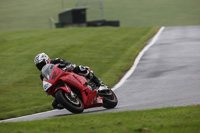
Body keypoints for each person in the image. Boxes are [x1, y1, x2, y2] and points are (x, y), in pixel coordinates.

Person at [34, 52, 108, 109]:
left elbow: (69, 64)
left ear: (46, 59)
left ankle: (99, 83)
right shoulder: (42, 75)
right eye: (39, 66)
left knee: (79, 68)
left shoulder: (56, 61)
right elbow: (48, 82)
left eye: (42, 64)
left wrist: (68, 66)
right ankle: (70, 100)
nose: (41, 66)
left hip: (69, 75)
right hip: (59, 83)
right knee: (55, 105)